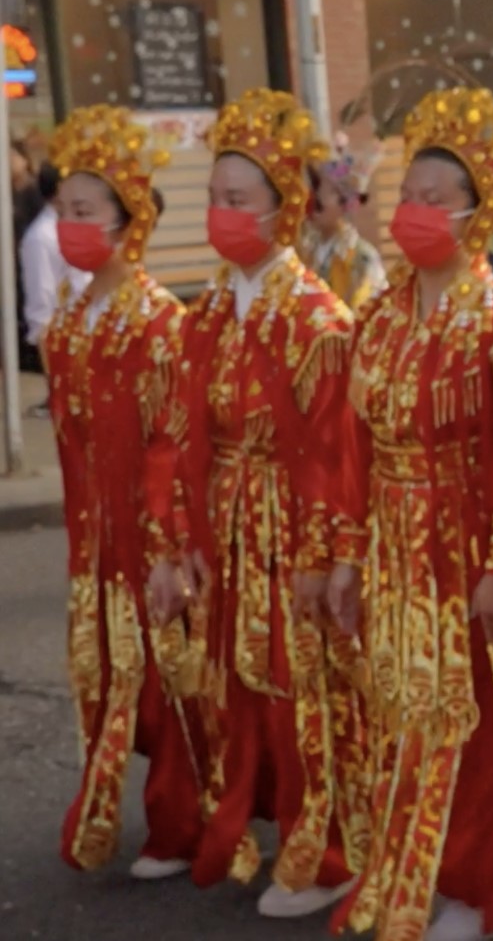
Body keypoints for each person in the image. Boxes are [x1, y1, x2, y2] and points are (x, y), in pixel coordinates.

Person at [330, 88, 493, 941]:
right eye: (405, 194)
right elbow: (352, 449)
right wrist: (345, 552)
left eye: (433, 198)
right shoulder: (377, 318)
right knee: (399, 712)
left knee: (474, 726)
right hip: (390, 549)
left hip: (462, 547)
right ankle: (405, 868)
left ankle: (480, 888)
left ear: (478, 212)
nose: (411, 212)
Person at [165, 90, 362, 917]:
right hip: (229, 520)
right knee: (233, 685)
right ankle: (253, 827)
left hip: (289, 524)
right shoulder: (208, 311)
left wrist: (321, 557)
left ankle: (332, 852)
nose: (220, 215)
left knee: (302, 689)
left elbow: (333, 456)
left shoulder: (317, 318)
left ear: (286, 208)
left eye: (236, 201)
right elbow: (182, 433)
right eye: (212, 199)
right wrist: (182, 535)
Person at [42, 106, 204, 879]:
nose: (69, 227)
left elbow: (171, 444)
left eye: (85, 212)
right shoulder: (66, 326)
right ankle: (117, 806)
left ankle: (180, 824)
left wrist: (169, 545)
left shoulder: (159, 322)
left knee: (168, 681)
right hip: (91, 537)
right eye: (62, 211)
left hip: (146, 538)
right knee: (101, 672)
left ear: (128, 219)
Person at [20, 139, 81, 373]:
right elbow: (41, 308)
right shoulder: (41, 238)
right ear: (58, 194)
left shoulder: (78, 229)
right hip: (66, 345)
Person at [302, 154, 386, 311]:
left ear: (345, 203)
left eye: (331, 192)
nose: (317, 197)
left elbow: (370, 311)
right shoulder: (304, 254)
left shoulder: (362, 257)